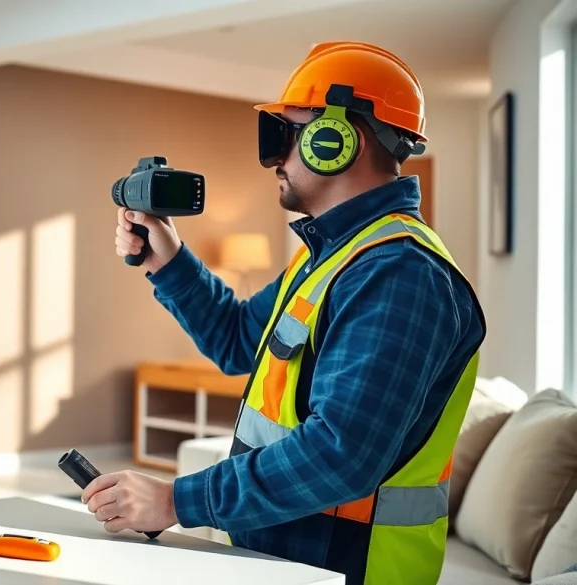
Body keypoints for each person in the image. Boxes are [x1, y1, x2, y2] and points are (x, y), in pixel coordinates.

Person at [84, 41, 487, 585]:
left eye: (281, 135)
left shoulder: (398, 274)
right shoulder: (334, 256)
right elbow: (236, 340)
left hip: (347, 569)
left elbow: (341, 455)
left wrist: (177, 500)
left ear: (339, 140)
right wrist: (170, 261)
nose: (272, 157)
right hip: (287, 559)